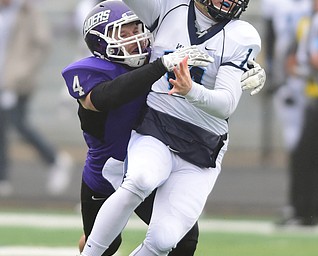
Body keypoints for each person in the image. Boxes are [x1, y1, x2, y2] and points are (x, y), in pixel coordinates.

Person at [80, 1, 264, 255]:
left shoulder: (242, 34)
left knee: (165, 240)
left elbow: (226, 105)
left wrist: (194, 90)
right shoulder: (169, 8)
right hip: (157, 126)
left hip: (203, 145)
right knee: (141, 179)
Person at [62, 1, 215, 255]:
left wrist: (238, 68)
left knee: (183, 239)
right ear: (101, 41)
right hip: (105, 174)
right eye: (126, 33)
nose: (136, 37)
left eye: (137, 28)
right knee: (103, 244)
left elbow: (200, 64)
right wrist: (158, 67)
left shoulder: (157, 59)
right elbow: (105, 98)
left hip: (149, 164)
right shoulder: (94, 71)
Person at [0, 0, 73, 196]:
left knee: (18, 124)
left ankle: (55, 159)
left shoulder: (27, 11)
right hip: (2, 80)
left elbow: (42, 44)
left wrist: (20, 74)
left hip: (16, 82)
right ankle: (3, 178)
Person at [279, 0, 318, 226]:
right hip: (312, 95)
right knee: (307, 155)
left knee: (305, 155)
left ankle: (305, 211)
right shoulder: (309, 21)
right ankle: (306, 210)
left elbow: (314, 59)